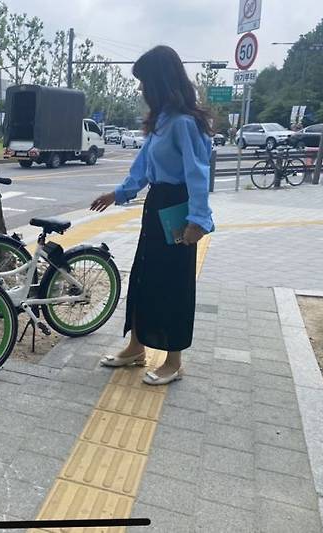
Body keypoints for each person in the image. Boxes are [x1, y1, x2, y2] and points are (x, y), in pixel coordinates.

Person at [90, 45, 214, 386]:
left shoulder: (185, 124)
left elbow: (198, 175)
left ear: (160, 81)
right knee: (144, 276)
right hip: (156, 204)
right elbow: (142, 169)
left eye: (144, 82)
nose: (141, 90)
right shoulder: (161, 122)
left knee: (173, 283)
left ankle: (173, 361)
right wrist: (118, 194)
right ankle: (136, 347)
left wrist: (198, 222)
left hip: (178, 208)